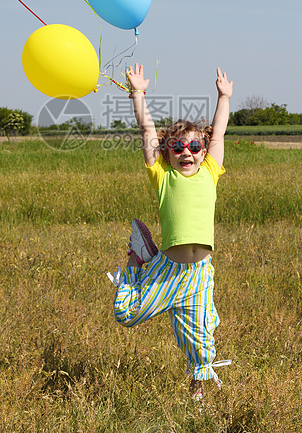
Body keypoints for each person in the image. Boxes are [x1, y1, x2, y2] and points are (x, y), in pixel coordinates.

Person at [107, 64, 233, 400]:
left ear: (203, 151)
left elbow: (218, 133)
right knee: (126, 314)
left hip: (199, 272)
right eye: (177, 147)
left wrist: (224, 97)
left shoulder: (210, 172)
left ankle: (198, 397)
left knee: (202, 339)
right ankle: (139, 257)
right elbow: (147, 129)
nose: (186, 153)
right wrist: (138, 93)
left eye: (193, 147)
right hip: (169, 270)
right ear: (167, 152)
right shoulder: (163, 176)